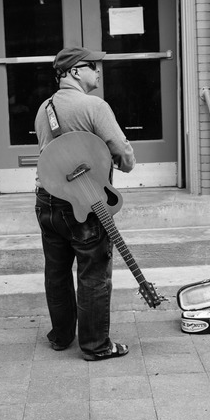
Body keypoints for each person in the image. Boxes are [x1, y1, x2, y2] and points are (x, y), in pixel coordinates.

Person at [34, 46, 135, 361]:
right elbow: (122, 152)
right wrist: (125, 163)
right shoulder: (94, 106)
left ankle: (62, 336)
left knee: (57, 271)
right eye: (93, 66)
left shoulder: (43, 108)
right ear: (74, 71)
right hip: (86, 204)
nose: (99, 71)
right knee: (93, 272)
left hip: (47, 202)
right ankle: (95, 345)